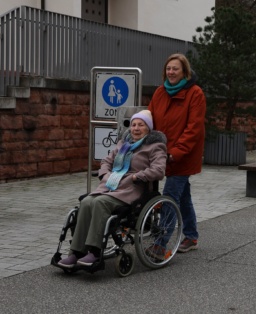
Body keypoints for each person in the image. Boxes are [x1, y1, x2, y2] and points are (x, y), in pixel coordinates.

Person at [57, 110, 167, 268]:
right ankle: (76, 252)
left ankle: (94, 252)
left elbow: (159, 170)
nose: (136, 128)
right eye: (133, 124)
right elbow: (106, 161)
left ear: (148, 129)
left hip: (131, 189)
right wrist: (105, 173)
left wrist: (137, 176)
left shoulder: (155, 147)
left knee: (100, 203)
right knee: (87, 202)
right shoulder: (123, 144)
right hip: (110, 185)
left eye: (141, 125)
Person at [148, 53, 206, 253]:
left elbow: (194, 128)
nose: (171, 72)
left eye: (176, 69)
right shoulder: (159, 92)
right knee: (183, 196)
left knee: (170, 196)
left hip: (182, 155)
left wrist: (176, 152)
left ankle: (160, 244)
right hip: (162, 153)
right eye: (168, 68)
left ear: (185, 72)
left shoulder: (195, 93)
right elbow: (150, 121)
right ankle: (191, 236)